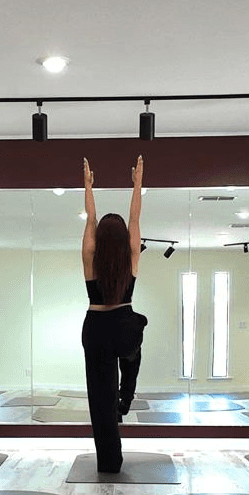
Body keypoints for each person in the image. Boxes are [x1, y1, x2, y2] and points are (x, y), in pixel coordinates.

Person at [80, 155, 147, 472]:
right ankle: (126, 395)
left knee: (98, 396)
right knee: (134, 350)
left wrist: (88, 186)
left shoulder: (91, 257)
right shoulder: (131, 256)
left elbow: (90, 219)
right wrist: (137, 184)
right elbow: (134, 221)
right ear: (122, 239)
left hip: (95, 326)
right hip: (123, 324)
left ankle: (109, 461)